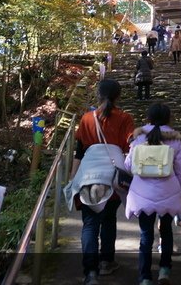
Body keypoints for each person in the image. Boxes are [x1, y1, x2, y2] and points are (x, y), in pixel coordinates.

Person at [71, 79, 135, 285]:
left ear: (98, 94)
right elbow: (130, 148)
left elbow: (79, 152)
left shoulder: (87, 119)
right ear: (118, 96)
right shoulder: (125, 118)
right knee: (109, 219)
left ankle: (90, 273)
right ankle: (107, 261)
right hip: (114, 177)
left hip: (89, 176)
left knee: (90, 223)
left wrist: (73, 179)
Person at [125, 103, 181, 285]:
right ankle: (164, 270)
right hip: (168, 193)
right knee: (166, 231)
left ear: (148, 118)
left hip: (142, 194)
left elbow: (128, 166)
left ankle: (145, 277)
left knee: (146, 235)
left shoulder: (138, 138)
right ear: (168, 118)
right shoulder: (175, 140)